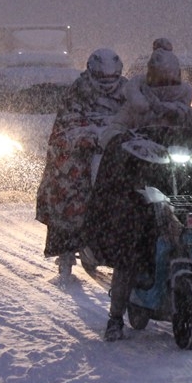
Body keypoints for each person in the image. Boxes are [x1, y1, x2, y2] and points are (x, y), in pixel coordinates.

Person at [98, 38, 192, 342]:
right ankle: (115, 316)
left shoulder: (185, 112)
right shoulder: (137, 107)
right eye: (160, 78)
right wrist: (117, 139)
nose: (165, 84)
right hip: (142, 186)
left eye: (170, 78)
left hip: (182, 184)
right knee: (131, 244)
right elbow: (114, 127)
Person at [35, 48, 128, 280]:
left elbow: (135, 116)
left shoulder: (128, 91)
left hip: (116, 154)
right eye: (102, 79)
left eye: (111, 79)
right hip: (81, 155)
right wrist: (86, 136)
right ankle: (66, 247)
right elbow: (66, 126)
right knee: (68, 189)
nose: (107, 84)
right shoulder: (77, 92)